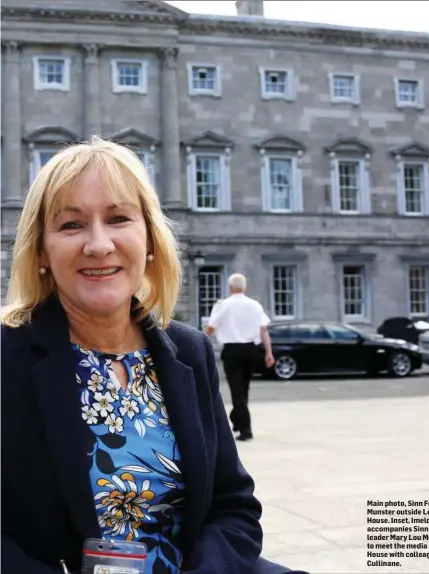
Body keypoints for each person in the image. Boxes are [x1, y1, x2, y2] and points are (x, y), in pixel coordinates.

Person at [0, 137, 308, 574]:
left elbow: (233, 507)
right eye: (71, 226)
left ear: (148, 239)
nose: (99, 244)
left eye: (119, 218)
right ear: (41, 251)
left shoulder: (189, 350)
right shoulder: (7, 356)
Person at [205, 274, 275, 442]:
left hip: (232, 350)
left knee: (237, 390)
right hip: (251, 350)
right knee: (244, 388)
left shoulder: (223, 305)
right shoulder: (255, 305)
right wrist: (269, 353)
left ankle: (245, 429)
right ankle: (238, 419)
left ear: (229, 288)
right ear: (244, 287)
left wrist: (198, 344)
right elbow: (264, 330)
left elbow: (210, 328)